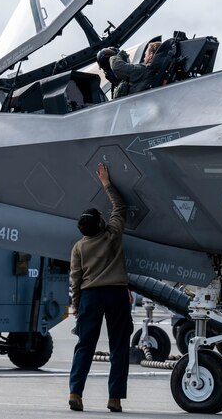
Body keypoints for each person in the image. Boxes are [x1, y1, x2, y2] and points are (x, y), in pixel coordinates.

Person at [68, 162, 133, 413]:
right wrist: (106, 182)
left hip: (90, 297)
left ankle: (75, 392)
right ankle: (114, 398)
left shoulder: (79, 248)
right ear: (101, 224)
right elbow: (120, 206)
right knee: (119, 346)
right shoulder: (112, 235)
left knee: (85, 345)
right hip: (116, 294)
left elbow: (75, 279)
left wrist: (75, 306)